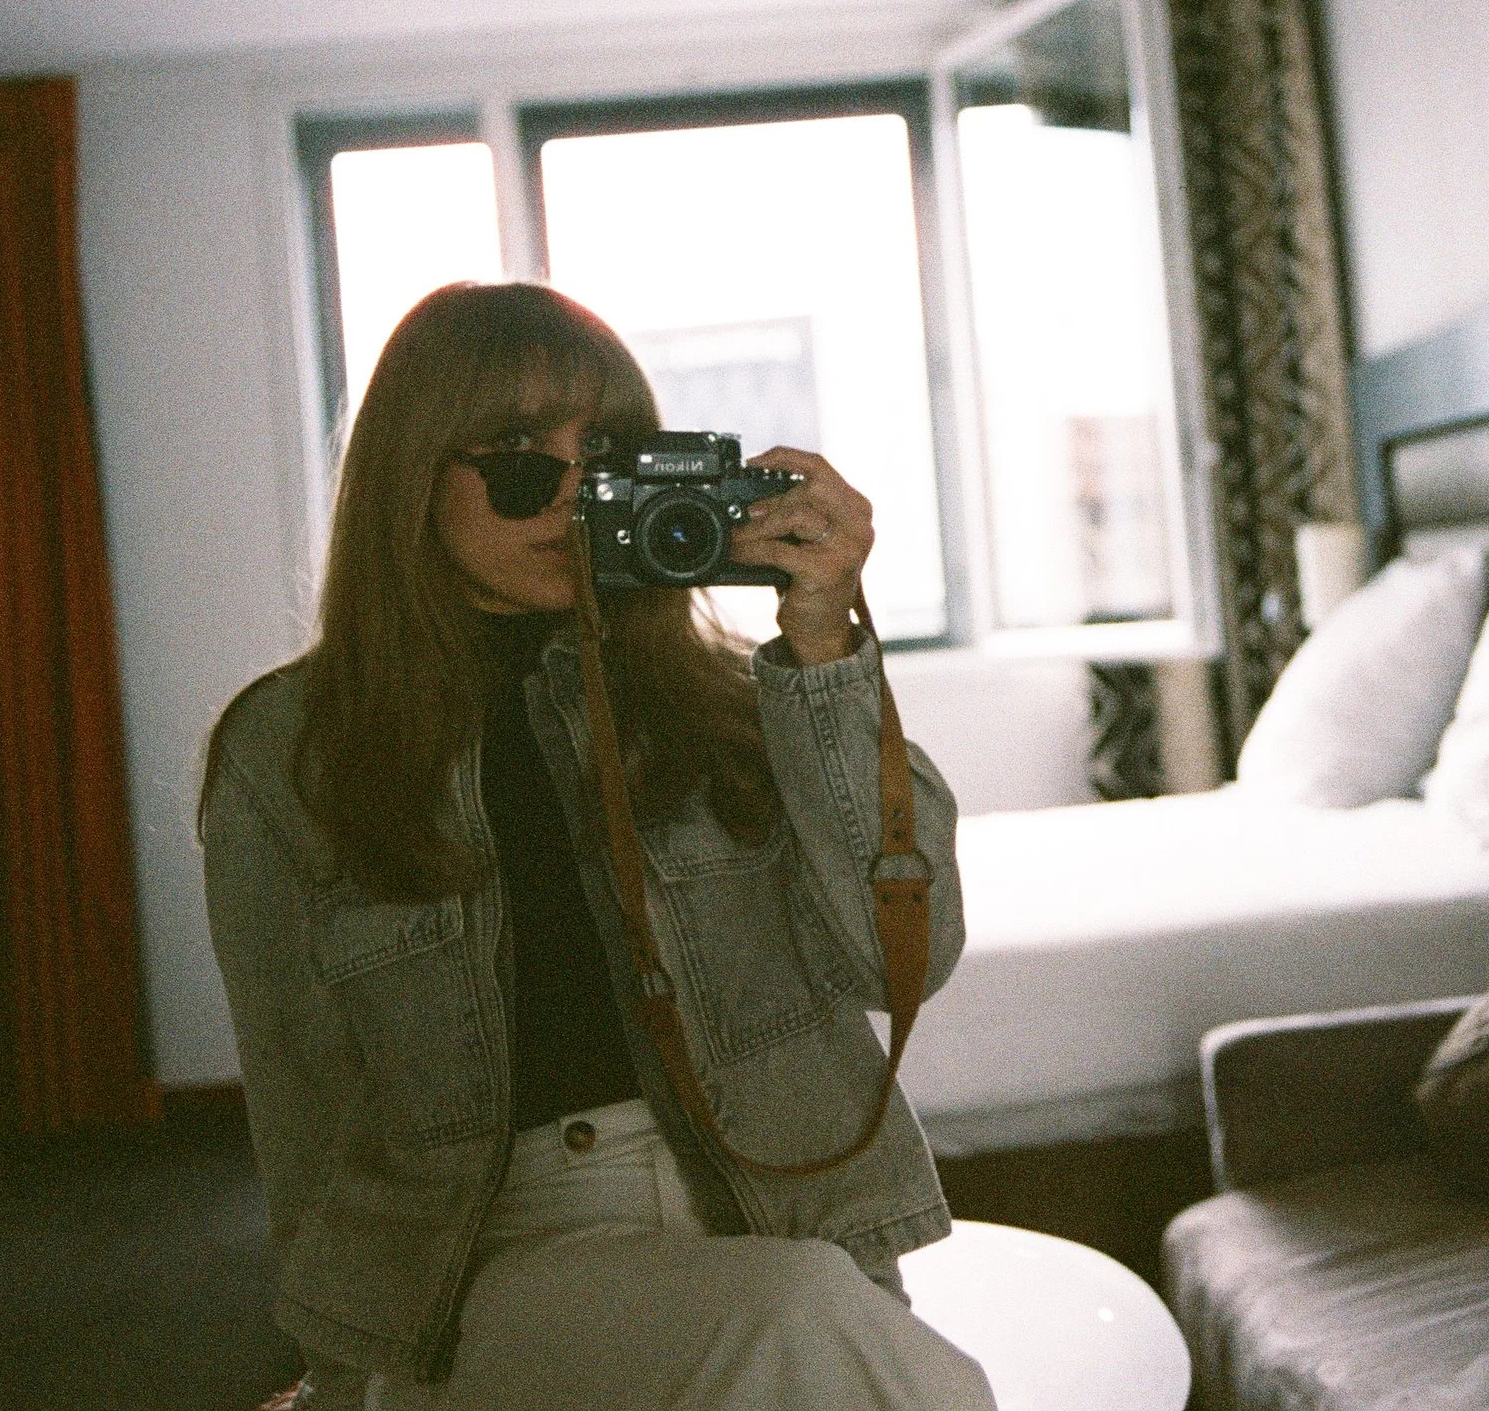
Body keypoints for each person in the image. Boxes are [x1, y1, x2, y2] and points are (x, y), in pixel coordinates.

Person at [200, 283, 993, 1411]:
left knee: (805, 1311)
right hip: (495, 1257)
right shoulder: (292, 749)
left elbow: (900, 958)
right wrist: (347, 1373)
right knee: (802, 1321)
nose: (572, 494)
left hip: (767, 1210)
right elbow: (304, 1109)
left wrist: (824, 647)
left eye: (610, 453)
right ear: (412, 477)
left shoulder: (729, 705)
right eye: (520, 454)